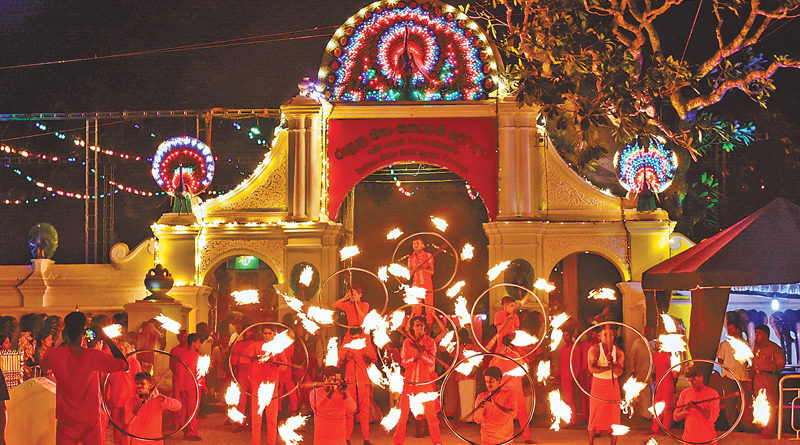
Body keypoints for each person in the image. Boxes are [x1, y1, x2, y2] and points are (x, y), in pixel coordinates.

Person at [41, 311, 128, 445]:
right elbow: (124, 365)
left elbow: (44, 367)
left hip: (66, 420)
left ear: (65, 331)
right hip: (90, 421)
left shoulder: (54, 354)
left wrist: (63, 341)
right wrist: (106, 339)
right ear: (83, 333)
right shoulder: (93, 356)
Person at [393, 316, 442, 445]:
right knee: (403, 415)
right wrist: (416, 357)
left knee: (431, 416)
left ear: (424, 327)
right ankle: (397, 442)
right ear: (412, 327)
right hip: (409, 383)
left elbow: (432, 361)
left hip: (424, 384)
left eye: (421, 325)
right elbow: (404, 362)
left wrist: (423, 354)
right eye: (416, 325)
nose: (419, 327)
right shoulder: (407, 343)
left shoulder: (430, 342)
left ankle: (437, 442)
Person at [246, 325, 287, 445]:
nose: (267, 336)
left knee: (272, 421)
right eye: (265, 333)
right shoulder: (255, 345)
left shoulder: (279, 348)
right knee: (256, 421)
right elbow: (244, 358)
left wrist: (276, 363)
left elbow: (285, 367)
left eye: (269, 333)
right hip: (257, 388)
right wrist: (255, 358)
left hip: (271, 389)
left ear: (274, 334)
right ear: (261, 334)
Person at [489, 335, 533, 443]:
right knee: (504, 415)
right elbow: (491, 367)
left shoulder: (517, 354)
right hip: (504, 390)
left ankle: (527, 438)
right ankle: (503, 438)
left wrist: (516, 354)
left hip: (516, 388)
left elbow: (525, 368)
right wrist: (500, 355)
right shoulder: (499, 355)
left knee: (522, 413)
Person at [340, 327, 377, 445]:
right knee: (349, 411)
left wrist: (367, 357)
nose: (355, 340)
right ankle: (347, 439)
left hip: (363, 383)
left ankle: (366, 439)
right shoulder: (346, 346)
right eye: (353, 338)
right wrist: (346, 358)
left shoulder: (366, 345)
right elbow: (339, 362)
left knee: (364, 412)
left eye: (357, 338)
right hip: (350, 382)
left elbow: (374, 360)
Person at [587, 325, 624, 445]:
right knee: (594, 414)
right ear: (600, 337)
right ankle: (591, 442)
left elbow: (619, 372)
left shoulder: (618, 352)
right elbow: (592, 369)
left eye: (611, 335)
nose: (608, 337)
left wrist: (613, 364)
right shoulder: (594, 350)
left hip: (613, 385)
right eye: (605, 335)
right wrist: (608, 367)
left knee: (614, 415)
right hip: (598, 385)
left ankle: (613, 443)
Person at [125, 372, 182, 445]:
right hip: (137, 441)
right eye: (137, 384)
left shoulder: (159, 400)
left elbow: (178, 406)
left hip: (155, 442)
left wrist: (161, 397)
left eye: (142, 384)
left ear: (149, 385)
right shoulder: (130, 401)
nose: (139, 386)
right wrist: (140, 404)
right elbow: (128, 421)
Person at [751, 324, 785, 437]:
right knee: (759, 403)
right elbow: (753, 365)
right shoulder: (756, 348)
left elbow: (780, 364)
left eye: (759, 333)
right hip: (757, 378)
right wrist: (750, 379)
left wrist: (771, 371)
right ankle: (763, 427)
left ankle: (770, 430)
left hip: (768, 378)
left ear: (766, 335)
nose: (757, 336)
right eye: (756, 333)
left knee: (769, 404)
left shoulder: (774, 348)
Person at [310, 366, 357, 445]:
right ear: (325, 378)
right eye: (334, 380)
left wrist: (344, 392)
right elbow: (318, 409)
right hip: (322, 441)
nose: (336, 383)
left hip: (339, 441)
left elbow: (352, 409)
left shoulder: (342, 393)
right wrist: (330, 393)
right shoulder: (315, 393)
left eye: (338, 380)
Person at [716, 320, 750, 430]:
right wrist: (726, 370)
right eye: (729, 329)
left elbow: (748, 360)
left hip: (742, 376)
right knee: (729, 402)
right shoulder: (724, 345)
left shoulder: (744, 343)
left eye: (732, 329)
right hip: (728, 377)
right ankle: (732, 426)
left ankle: (744, 425)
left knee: (742, 402)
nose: (731, 331)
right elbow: (720, 359)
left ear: (737, 330)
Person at [674, 365, 720, 444]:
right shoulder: (685, 393)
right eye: (689, 380)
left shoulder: (712, 393)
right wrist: (685, 412)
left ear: (701, 377)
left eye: (694, 379)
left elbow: (712, 418)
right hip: (689, 440)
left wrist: (697, 407)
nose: (692, 383)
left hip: (708, 440)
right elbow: (676, 417)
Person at [475, 366, 518, 445]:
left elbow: (513, 415)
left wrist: (496, 404)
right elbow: (477, 420)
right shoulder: (481, 397)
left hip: (506, 440)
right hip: (487, 440)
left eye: (491, 381)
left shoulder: (509, 395)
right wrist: (481, 408)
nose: (488, 385)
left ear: (499, 380)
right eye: (486, 382)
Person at [175, 333, 202, 441]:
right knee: (191, 410)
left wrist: (203, 385)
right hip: (187, 387)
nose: (200, 344)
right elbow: (179, 373)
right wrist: (181, 389)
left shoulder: (196, 355)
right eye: (199, 342)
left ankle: (187, 432)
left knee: (190, 410)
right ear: (193, 343)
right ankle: (192, 433)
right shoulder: (184, 356)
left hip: (195, 387)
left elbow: (199, 372)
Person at [626, 326, 653, 421]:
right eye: (647, 332)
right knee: (643, 395)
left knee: (651, 394)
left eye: (650, 332)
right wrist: (632, 370)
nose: (648, 334)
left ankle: (651, 413)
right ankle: (645, 415)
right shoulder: (637, 343)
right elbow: (631, 357)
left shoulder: (654, 344)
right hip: (640, 373)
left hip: (651, 374)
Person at [408, 237, 435, 323]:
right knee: (416, 310)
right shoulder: (410, 258)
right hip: (416, 286)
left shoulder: (428, 255)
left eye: (417, 243)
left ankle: (429, 333)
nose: (415, 245)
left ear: (423, 245)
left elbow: (432, 271)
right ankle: (417, 332)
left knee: (429, 310)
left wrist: (422, 269)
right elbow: (409, 274)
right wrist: (415, 268)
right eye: (414, 244)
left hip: (427, 285)